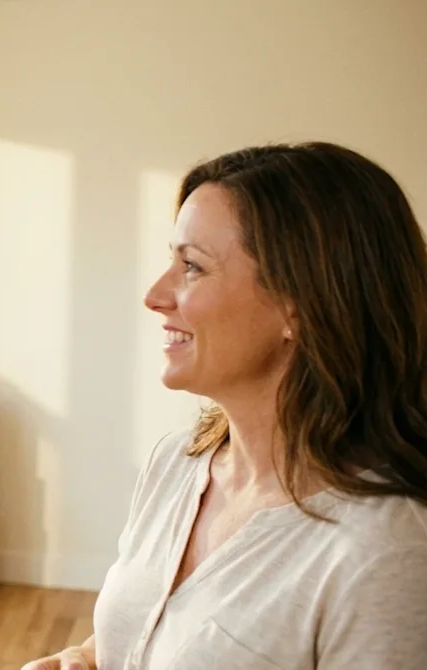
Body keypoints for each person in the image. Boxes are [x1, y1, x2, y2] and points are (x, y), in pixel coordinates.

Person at [23, 142, 427, 670]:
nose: (155, 295)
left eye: (192, 266)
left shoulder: (386, 553)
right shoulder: (178, 462)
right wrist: (81, 660)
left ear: (300, 306)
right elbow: (145, 637)